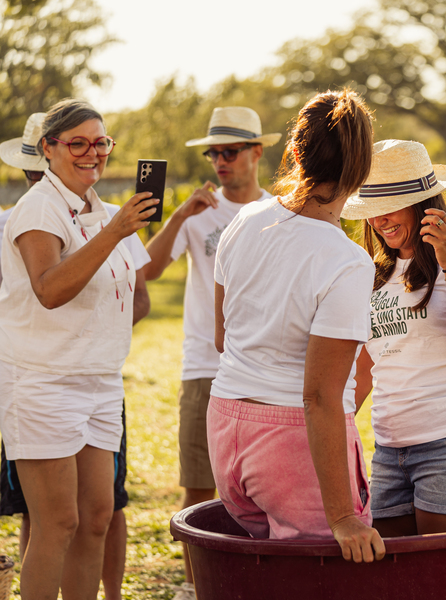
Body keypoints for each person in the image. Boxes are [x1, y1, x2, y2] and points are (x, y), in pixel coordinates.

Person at [207, 89, 384, 562]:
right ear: (361, 168)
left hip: (225, 425)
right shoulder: (347, 261)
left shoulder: (244, 220)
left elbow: (222, 337)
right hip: (292, 443)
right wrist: (342, 516)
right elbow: (320, 396)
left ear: (295, 152)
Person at [0, 99, 156, 600]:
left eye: (100, 142)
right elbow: (49, 289)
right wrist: (115, 232)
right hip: (42, 379)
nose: (93, 153)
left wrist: (121, 228)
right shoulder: (38, 208)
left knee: (96, 518)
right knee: (58, 522)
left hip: (100, 380)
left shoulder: (105, 211)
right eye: (78, 143)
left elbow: (135, 292)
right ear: (49, 148)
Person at [142, 106, 280, 599]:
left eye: (231, 151)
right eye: (213, 153)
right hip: (205, 364)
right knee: (199, 485)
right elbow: (148, 271)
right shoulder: (198, 212)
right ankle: (195, 584)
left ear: (256, 152)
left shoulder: (280, 211)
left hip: (265, 368)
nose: (221, 160)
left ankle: (256, 579)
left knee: (263, 488)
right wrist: (180, 215)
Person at [342, 140, 446, 536]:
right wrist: (330, 428)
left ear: (423, 203)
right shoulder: (373, 270)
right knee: (391, 568)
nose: (380, 219)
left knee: (444, 568)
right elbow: (366, 365)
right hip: (389, 450)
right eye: (372, 208)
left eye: (392, 205)